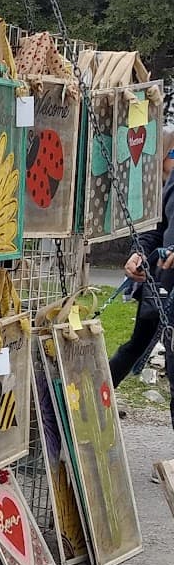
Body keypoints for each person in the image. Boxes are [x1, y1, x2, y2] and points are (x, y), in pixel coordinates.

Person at [113, 130, 174, 436]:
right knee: (141, 346)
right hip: (163, 290)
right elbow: (157, 228)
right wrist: (138, 253)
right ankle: (95, 401)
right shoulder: (168, 185)